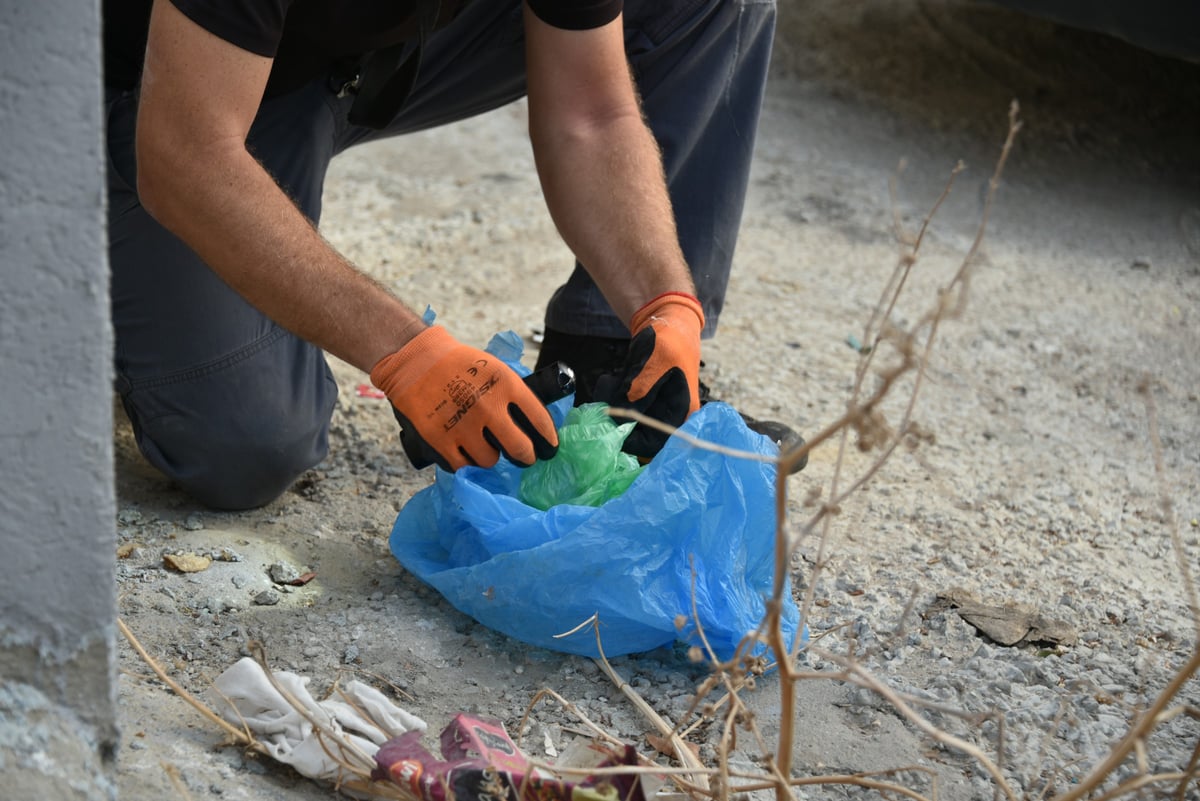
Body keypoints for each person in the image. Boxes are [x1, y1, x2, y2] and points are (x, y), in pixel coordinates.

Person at [104, 0, 791, 511]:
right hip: (166, 91)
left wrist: (663, 300)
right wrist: (405, 352)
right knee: (246, 445)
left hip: (351, 60)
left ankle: (616, 374)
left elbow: (591, 113)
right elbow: (184, 155)